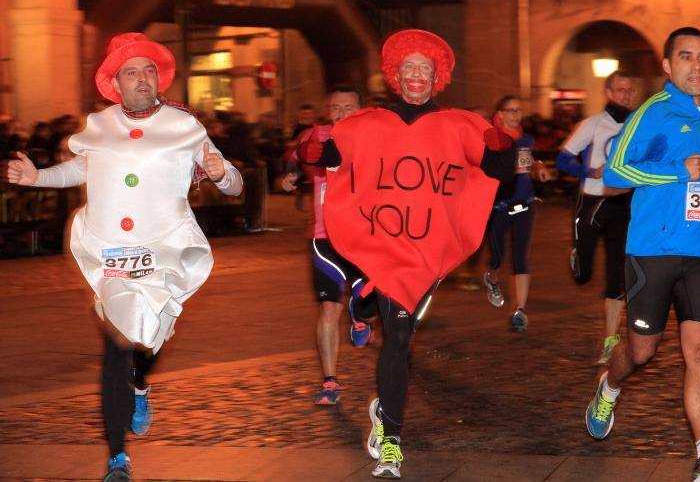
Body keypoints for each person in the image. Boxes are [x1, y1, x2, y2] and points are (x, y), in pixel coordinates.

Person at [2, 32, 243, 482]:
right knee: (116, 343)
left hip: (164, 250)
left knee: (148, 339)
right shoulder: (99, 125)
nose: (142, 78)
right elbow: (81, 167)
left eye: (149, 69)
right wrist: (37, 178)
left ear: (159, 78)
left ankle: (140, 383)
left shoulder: (185, 125)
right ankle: (117, 457)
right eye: (131, 71)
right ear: (115, 82)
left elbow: (234, 185)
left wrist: (222, 173)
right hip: (111, 248)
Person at [298, 29, 514, 478]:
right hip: (382, 247)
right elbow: (327, 156)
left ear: (438, 77)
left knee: (401, 336)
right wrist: (311, 150)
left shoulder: (459, 124)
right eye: (409, 66)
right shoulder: (367, 123)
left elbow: (498, 169)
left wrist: (501, 148)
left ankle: (382, 404)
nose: (417, 75)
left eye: (426, 68)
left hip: (427, 252)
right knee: (396, 339)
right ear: (396, 74)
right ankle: (393, 442)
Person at [584, 27, 700, 482]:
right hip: (654, 249)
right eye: (685, 57)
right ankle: (610, 384)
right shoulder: (652, 113)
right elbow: (615, 173)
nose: (696, 66)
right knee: (642, 352)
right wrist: (675, 172)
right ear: (667, 65)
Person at [282, 84, 374, 405]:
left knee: (367, 297)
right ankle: (330, 381)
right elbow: (293, 157)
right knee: (327, 307)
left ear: (361, 110)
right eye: (336, 108)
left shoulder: (374, 137)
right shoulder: (316, 136)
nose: (341, 114)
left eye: (348, 108)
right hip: (324, 236)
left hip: (365, 235)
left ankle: (361, 314)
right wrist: (291, 177)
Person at [556, 70, 635, 363]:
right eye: (620, 90)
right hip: (590, 203)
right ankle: (578, 255)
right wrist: (590, 172)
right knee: (583, 276)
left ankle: (610, 340)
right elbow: (563, 159)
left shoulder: (636, 126)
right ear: (609, 92)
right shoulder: (592, 125)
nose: (625, 95)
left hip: (622, 205)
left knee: (617, 274)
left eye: (629, 90)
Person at [482, 95, 551, 332]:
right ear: (500, 114)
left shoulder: (526, 139)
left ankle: (519, 310)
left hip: (525, 203)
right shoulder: (491, 139)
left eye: (518, 111)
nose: (515, 115)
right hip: (499, 206)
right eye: (510, 111)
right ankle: (492, 276)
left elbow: (529, 161)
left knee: (521, 255)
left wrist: (539, 167)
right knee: (497, 256)